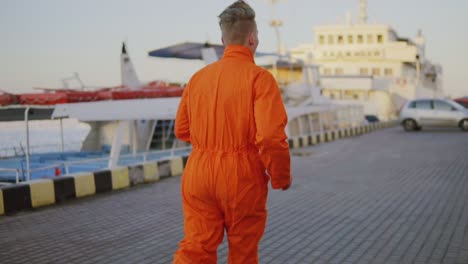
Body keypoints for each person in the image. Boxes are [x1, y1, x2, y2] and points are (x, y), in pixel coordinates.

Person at [173, 1, 291, 263]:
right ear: (253, 38)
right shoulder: (260, 79)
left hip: (199, 173)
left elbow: (181, 129)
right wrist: (280, 177)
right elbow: (271, 137)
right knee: (243, 252)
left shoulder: (198, 78)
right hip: (242, 177)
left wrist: (210, 143)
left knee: (196, 248)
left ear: (223, 39)